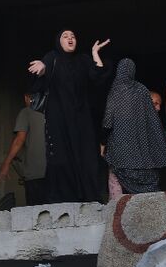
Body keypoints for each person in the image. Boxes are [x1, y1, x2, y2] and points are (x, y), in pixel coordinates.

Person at [27, 30, 111, 202]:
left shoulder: (83, 60)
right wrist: (43, 69)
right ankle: (63, 200)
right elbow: (40, 77)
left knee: (87, 157)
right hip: (58, 119)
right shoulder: (52, 57)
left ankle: (89, 199)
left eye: (73, 36)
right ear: (59, 41)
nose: (70, 38)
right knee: (61, 159)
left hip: (82, 119)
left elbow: (98, 77)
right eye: (65, 36)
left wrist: (95, 54)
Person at [102, 59, 166, 196]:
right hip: (142, 156)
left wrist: (103, 142)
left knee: (114, 174)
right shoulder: (141, 90)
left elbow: (107, 122)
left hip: (119, 151)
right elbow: (152, 119)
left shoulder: (115, 91)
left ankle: (117, 206)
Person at [0, 90, 47, 205]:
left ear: (26, 98)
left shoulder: (27, 112)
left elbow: (19, 140)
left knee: (36, 213)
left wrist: (6, 164)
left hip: (35, 173)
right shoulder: (56, 111)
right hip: (57, 171)